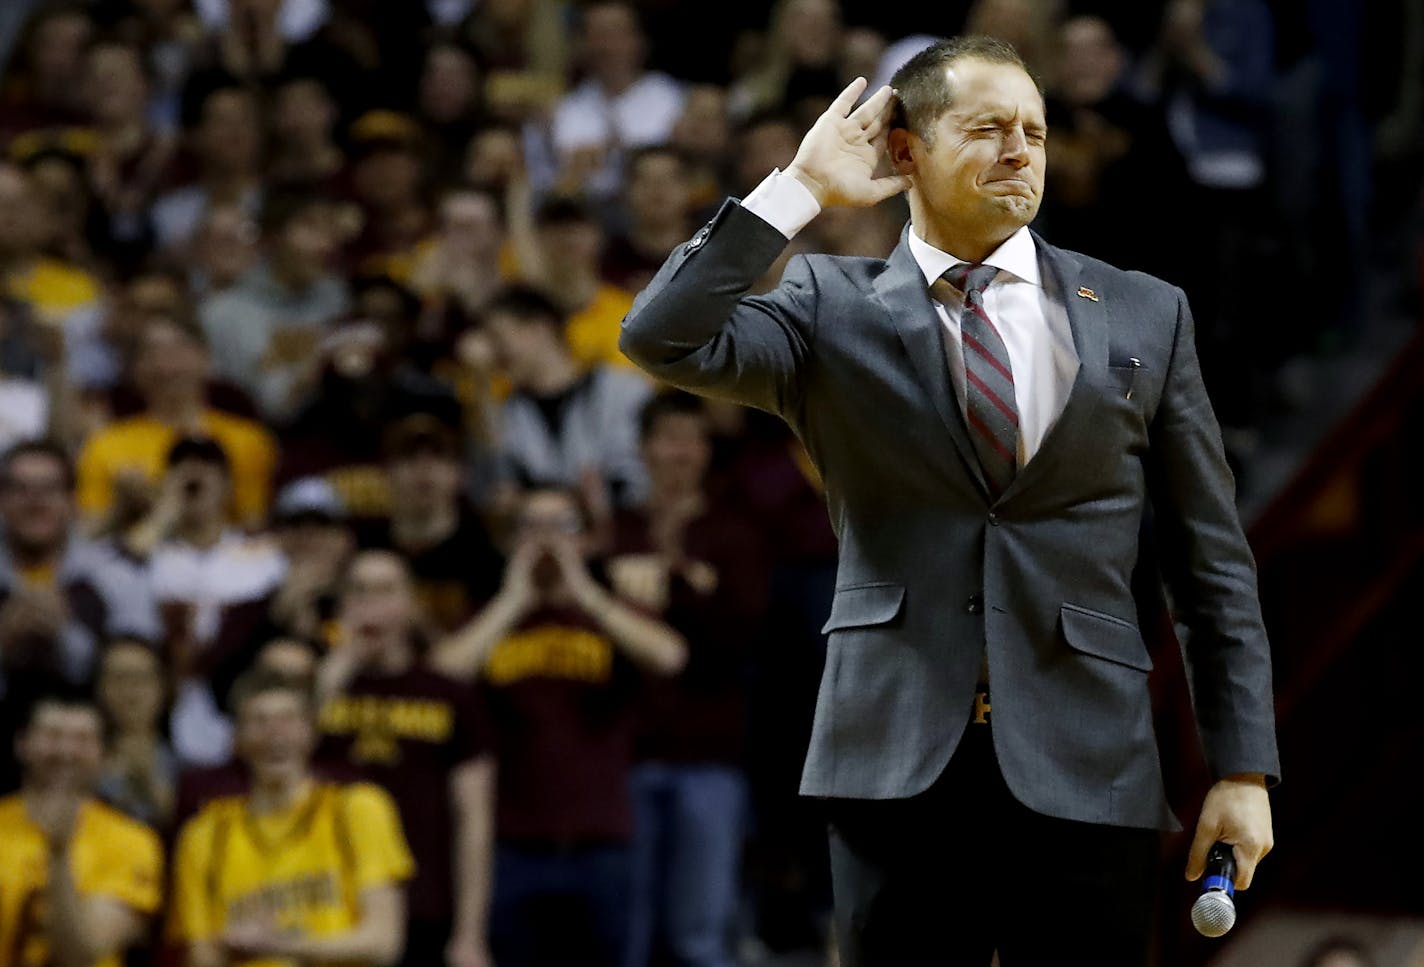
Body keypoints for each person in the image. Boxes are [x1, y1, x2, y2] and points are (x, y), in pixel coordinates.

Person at [619, 36, 1279, 965]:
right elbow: (659, 339)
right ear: (903, 152)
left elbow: (1209, 562)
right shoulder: (825, 302)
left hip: (1091, 759)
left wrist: (1242, 768)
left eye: (1036, 132)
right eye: (986, 128)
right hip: (893, 762)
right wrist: (796, 192)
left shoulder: (1144, 310)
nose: (1021, 151)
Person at [431, 486, 687, 967]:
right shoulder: (492, 616)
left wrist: (586, 593)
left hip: (602, 841)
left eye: (562, 526)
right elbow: (441, 676)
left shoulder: (607, 613)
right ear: (511, 542)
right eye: (532, 526)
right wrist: (513, 599)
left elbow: (669, 656)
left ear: (587, 539)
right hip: (512, 845)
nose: (546, 540)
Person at [611, 392, 769, 967]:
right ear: (643, 447)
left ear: (707, 452)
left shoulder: (734, 533)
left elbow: (744, 633)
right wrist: (689, 584)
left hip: (710, 755)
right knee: (628, 934)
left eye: (693, 439)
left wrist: (672, 575)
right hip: (624, 754)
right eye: (670, 437)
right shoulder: (618, 531)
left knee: (699, 937)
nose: (681, 452)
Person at [315, 550, 497, 967]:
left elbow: (474, 817)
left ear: (412, 605)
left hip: (427, 901)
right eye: (358, 591)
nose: (369, 603)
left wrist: (470, 934)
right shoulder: (320, 686)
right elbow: (280, 760)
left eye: (384, 590)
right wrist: (335, 669)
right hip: (331, 905)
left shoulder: (450, 694)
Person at [170, 668, 413, 967]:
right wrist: (234, 947)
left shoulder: (359, 808)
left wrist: (285, 945)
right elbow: (200, 956)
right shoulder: (204, 834)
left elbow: (384, 942)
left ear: (311, 733)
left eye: (288, 719)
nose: (275, 733)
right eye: (259, 721)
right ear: (237, 739)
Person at [0, 690, 165, 967]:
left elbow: (79, 956)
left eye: (81, 739)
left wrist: (59, 854)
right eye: (52, 735)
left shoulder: (132, 840)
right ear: (22, 743)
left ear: (104, 753)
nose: (65, 751)